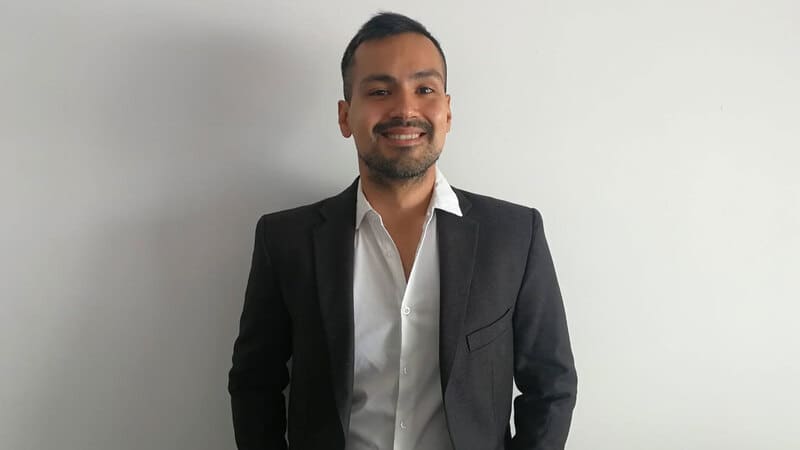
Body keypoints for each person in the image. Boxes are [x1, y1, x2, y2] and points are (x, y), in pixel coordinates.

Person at [228, 12, 577, 450]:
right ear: (345, 116)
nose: (405, 110)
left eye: (424, 89)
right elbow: (255, 384)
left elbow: (551, 385)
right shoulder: (286, 240)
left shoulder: (514, 236)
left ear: (447, 112)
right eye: (380, 91)